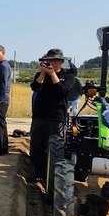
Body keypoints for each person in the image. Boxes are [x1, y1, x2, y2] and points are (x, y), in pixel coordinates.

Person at [29, 48, 76, 184]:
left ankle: (54, 178)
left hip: (56, 117)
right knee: (36, 147)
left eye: (54, 61)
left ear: (61, 62)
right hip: (39, 115)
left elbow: (62, 91)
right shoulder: (40, 74)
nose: (51, 63)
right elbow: (35, 88)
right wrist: (43, 74)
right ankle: (40, 174)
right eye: (48, 61)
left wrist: (53, 75)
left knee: (55, 148)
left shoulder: (68, 77)